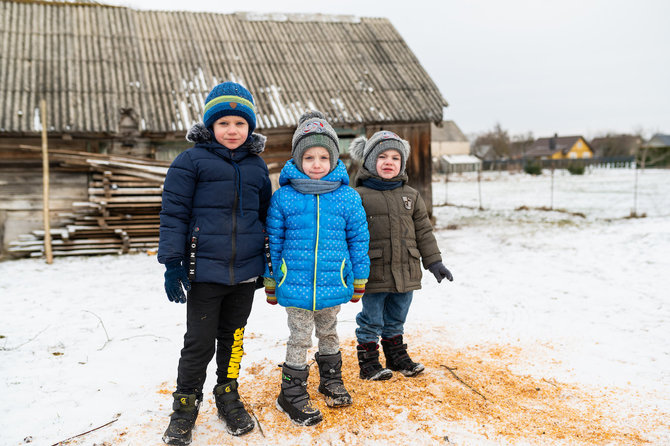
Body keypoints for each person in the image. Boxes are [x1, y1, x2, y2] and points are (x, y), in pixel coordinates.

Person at [158, 81, 271, 445]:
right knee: (199, 342)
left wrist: (267, 263)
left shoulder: (256, 166)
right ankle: (185, 406)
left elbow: (266, 217)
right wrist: (172, 263)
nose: (232, 130)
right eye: (224, 123)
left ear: (250, 127)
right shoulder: (190, 161)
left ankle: (228, 394)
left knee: (234, 338)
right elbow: (173, 214)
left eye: (240, 123)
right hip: (203, 271)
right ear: (210, 126)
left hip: (245, 273)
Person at [263, 110, 370, 426]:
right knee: (298, 337)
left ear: (334, 159)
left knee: (329, 331)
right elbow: (273, 240)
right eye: (309, 156)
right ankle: (291, 392)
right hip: (294, 284)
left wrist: (359, 277)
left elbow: (359, 239)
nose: (317, 163)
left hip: (333, 282)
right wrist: (271, 280)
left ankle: (331, 379)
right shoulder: (283, 198)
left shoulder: (347, 198)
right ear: (297, 159)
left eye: (324, 156)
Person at [349, 130, 453, 381]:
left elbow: (424, 231)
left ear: (402, 163)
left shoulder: (411, 195)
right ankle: (369, 361)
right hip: (373, 270)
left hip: (406, 269)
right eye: (382, 156)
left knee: (397, 317)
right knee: (371, 318)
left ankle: (396, 356)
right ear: (369, 160)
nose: (389, 162)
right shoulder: (357, 196)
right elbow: (349, 234)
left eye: (395, 157)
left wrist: (434, 262)